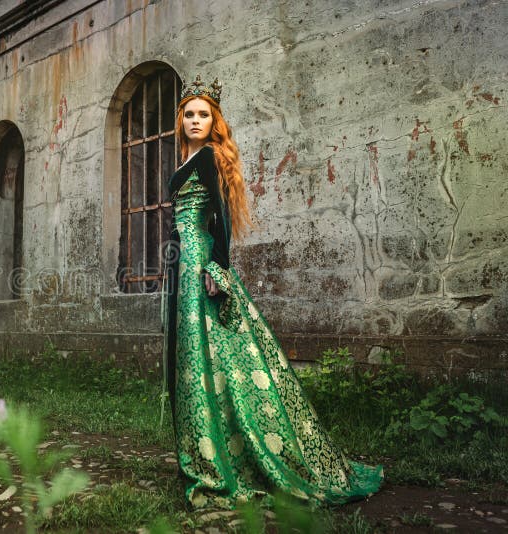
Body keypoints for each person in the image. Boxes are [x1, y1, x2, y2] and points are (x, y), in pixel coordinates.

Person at [160, 75, 384, 509]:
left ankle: (222, 460)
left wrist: (217, 269)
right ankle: (209, 449)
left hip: (199, 265)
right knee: (201, 357)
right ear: (180, 119)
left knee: (217, 353)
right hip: (181, 264)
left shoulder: (208, 158)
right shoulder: (187, 160)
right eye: (188, 113)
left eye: (203, 114)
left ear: (215, 121)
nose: (195, 120)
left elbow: (221, 220)